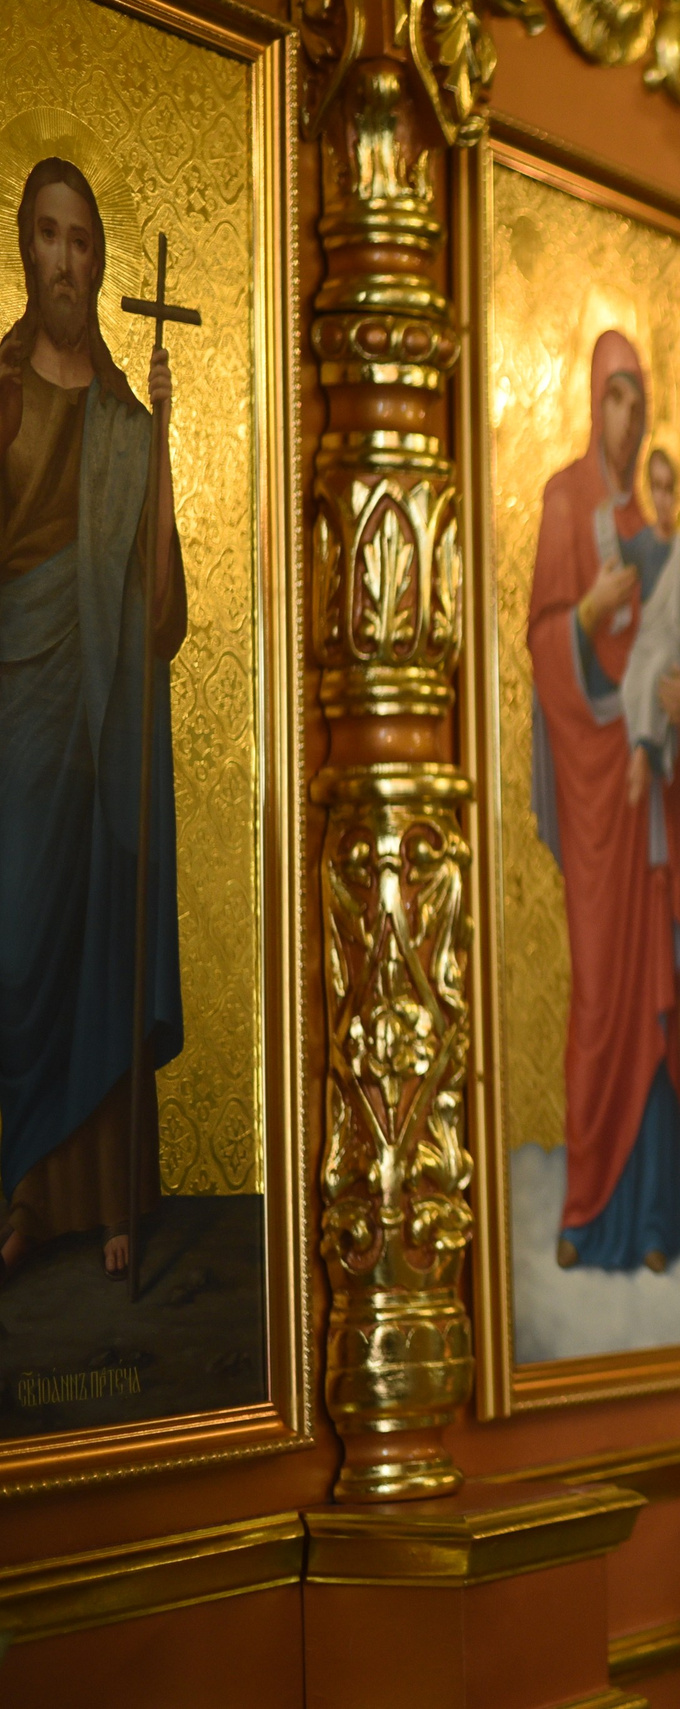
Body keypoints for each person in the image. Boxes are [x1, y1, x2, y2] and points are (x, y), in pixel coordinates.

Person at [1, 157, 185, 1285]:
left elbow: (158, 608)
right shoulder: (3, 390)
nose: (66, 259)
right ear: (24, 251)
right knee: (16, 937)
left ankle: (105, 1196)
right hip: (17, 705)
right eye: (48, 236)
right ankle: (16, 1183)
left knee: (100, 929)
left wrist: (163, 435)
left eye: (83, 239)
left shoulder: (124, 415)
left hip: (105, 713)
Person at [526, 333, 680, 1275]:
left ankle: (654, 1220)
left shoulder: (659, 523)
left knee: (654, 1002)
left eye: (640, 400)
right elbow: (545, 642)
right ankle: (589, 1208)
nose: (627, 418)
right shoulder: (565, 501)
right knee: (600, 994)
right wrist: (588, 613)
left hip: (650, 807)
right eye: (615, 398)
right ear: (594, 405)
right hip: (596, 794)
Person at [619, 446, 680, 808]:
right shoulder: (642, 544)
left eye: (670, 489)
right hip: (646, 639)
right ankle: (643, 751)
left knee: (658, 673)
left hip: (671, 643)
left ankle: (643, 754)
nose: (664, 498)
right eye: (656, 488)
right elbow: (620, 555)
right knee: (632, 682)